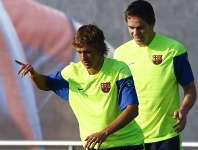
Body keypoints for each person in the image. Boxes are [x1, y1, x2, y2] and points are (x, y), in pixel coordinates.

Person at [15, 24, 144, 150]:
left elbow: (132, 110)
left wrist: (104, 133)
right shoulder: (71, 73)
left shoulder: (119, 69)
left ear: (99, 49)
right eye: (79, 52)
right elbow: (46, 84)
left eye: (88, 52)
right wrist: (34, 74)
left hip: (127, 144)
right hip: (95, 146)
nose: (83, 57)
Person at [113, 1, 197, 150]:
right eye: (131, 28)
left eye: (140, 28)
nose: (135, 33)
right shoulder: (120, 54)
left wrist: (184, 110)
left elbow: (190, 89)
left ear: (152, 24)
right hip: (132, 136)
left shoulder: (174, 50)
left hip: (166, 135)